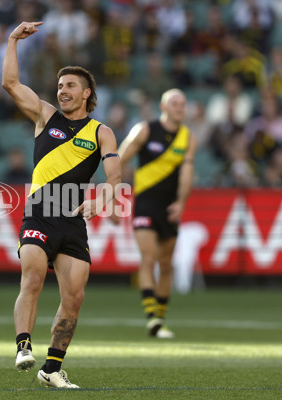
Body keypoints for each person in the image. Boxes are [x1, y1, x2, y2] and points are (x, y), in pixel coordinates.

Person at [2, 21, 121, 389]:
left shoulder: (101, 132)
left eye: (70, 85)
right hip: (40, 209)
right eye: (59, 86)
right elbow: (10, 84)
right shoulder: (45, 116)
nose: (62, 90)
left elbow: (115, 178)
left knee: (74, 297)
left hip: (72, 218)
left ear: (87, 92)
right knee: (33, 275)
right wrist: (12, 41)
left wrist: (102, 197)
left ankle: (51, 370)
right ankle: (23, 347)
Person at [114, 89, 196, 339]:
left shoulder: (187, 138)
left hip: (169, 206)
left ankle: (160, 317)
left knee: (167, 264)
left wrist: (181, 202)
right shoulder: (145, 130)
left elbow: (186, 173)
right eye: (175, 103)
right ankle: (152, 319)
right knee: (148, 257)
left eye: (183, 103)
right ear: (163, 106)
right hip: (146, 204)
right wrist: (113, 198)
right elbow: (118, 160)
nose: (180, 107)